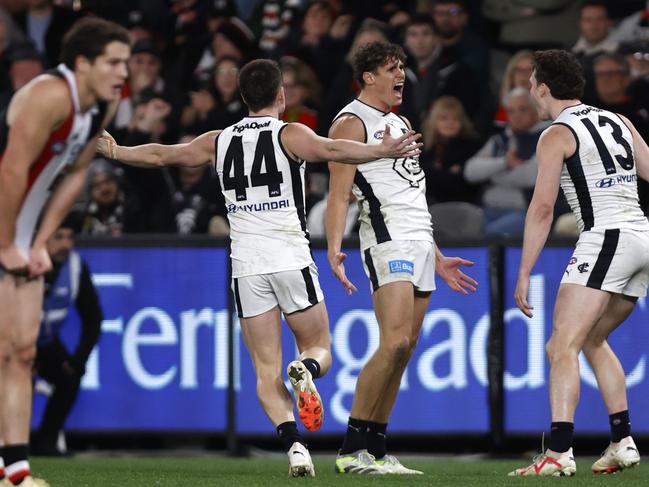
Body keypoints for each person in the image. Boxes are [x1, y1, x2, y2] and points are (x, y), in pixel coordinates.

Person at [96, 58, 421, 478]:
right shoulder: (291, 133)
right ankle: (306, 369)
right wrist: (381, 149)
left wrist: (115, 149)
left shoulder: (219, 139)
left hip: (246, 265)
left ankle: (294, 447)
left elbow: (162, 155)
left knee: (265, 371)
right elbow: (332, 148)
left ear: (242, 97)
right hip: (289, 256)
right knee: (319, 348)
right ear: (281, 95)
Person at [325, 40, 477, 475]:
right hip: (386, 240)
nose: (401, 76)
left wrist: (438, 253)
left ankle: (375, 447)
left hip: (419, 241)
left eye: (403, 68)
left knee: (403, 351)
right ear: (368, 76)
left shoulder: (401, 121)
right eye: (392, 68)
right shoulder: (351, 124)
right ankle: (351, 448)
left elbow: (410, 194)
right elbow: (339, 195)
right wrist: (335, 247)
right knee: (392, 342)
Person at [0, 17, 129, 487]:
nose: (122, 72)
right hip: (1, 224)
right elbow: (11, 169)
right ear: (82, 62)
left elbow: (74, 176)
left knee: (21, 352)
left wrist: (35, 243)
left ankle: (14, 472)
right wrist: (6, 244)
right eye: (113, 62)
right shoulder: (50, 94)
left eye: (126, 62)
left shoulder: (102, 107)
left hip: (18, 231)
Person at [511, 49, 648, 476]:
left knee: (560, 344)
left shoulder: (556, 133)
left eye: (532, 82)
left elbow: (542, 208)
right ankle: (622, 441)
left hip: (605, 236)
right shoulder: (619, 121)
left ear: (544, 88)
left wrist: (523, 271)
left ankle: (557, 452)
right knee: (590, 339)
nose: (530, 89)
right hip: (641, 237)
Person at [32, 214, 102, 456]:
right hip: (14, 341)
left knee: (69, 379)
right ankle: (12, 444)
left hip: (45, 340)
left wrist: (78, 360)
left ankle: (45, 441)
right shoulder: (25, 262)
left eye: (70, 237)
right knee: (20, 380)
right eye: (58, 237)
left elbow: (93, 317)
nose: (66, 244)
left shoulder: (75, 267)